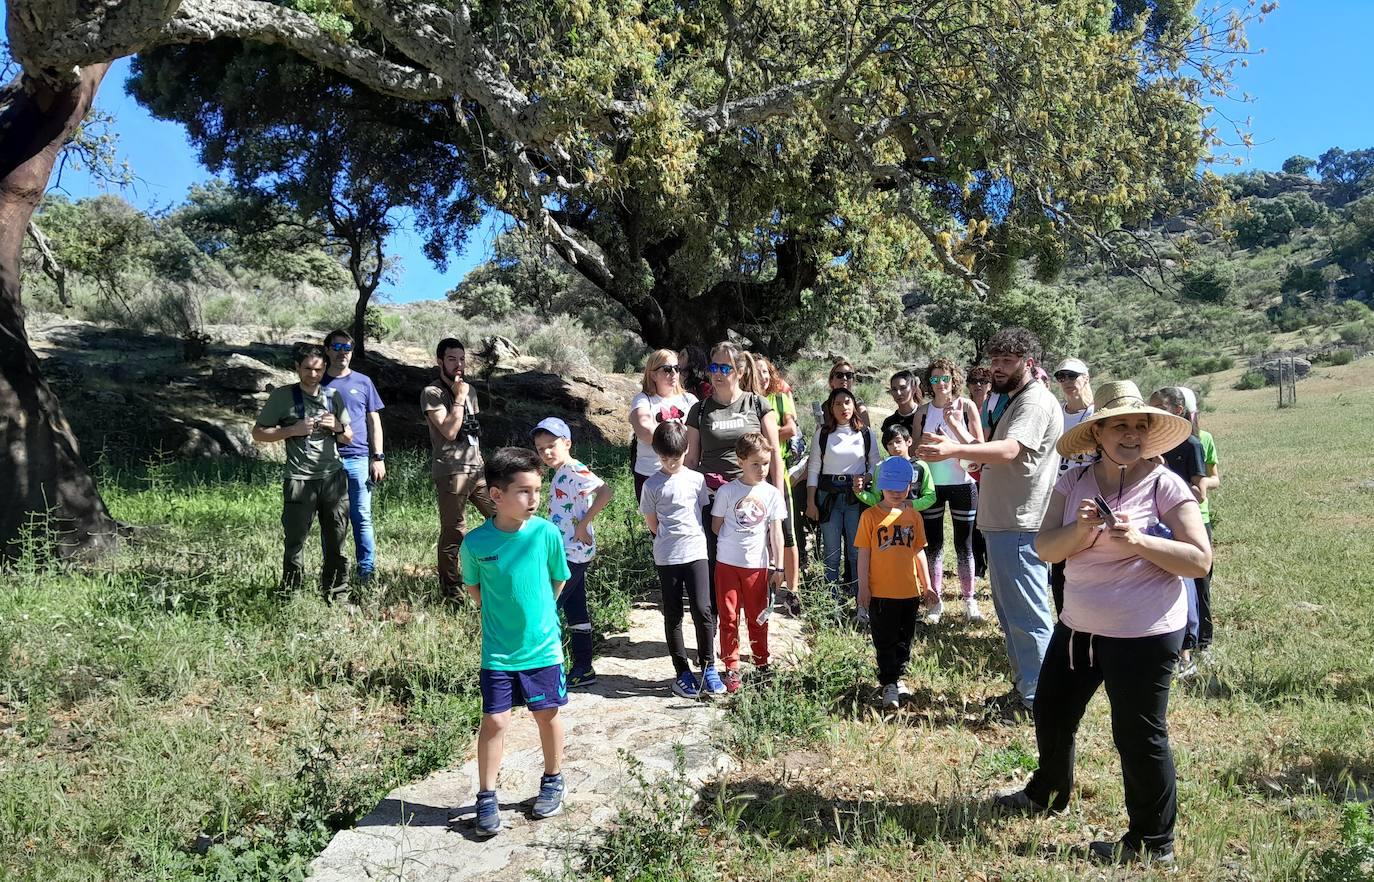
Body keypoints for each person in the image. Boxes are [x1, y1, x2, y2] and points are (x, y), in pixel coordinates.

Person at [997, 381, 1211, 866]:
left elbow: (1199, 560)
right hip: (1078, 628)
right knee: (1052, 710)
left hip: (1145, 633)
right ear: (1098, 434)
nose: (1131, 434)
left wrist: (1138, 539)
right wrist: (1081, 530)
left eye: (1140, 425)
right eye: (1121, 425)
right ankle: (1048, 792)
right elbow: (1044, 549)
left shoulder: (1165, 486)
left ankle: (1153, 844)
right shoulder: (1072, 484)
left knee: (1138, 734)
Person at [917, 328, 1062, 719]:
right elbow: (991, 456)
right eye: (995, 360)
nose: (998, 368)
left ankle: (1037, 701)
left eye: (1007, 361)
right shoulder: (1014, 402)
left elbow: (1011, 450)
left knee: (1027, 615)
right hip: (1003, 521)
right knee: (1010, 613)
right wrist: (962, 435)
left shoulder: (1033, 402)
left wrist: (954, 447)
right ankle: (1025, 690)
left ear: (1029, 364)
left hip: (1020, 522)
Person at [460, 447, 572, 838]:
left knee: (547, 713)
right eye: (523, 492)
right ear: (496, 495)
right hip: (498, 651)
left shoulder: (546, 533)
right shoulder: (475, 543)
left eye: (537, 490)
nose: (534, 500)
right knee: (494, 720)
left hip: (543, 649)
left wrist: (542, 618)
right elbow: (474, 588)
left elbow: (558, 578)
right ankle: (487, 796)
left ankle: (553, 777)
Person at [685, 341, 786, 605]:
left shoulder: (757, 404)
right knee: (713, 559)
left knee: (750, 561)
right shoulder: (700, 409)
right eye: (714, 367)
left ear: (739, 371)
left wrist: (779, 496)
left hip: (751, 497)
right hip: (712, 495)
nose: (718, 373)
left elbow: (774, 452)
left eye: (725, 368)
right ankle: (719, 621)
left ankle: (753, 622)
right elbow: (692, 458)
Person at [252, 343, 353, 597]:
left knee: (337, 539)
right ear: (297, 368)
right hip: (299, 479)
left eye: (318, 369)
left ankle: (336, 592)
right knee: (295, 541)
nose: (313, 374)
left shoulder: (333, 397)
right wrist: (290, 431)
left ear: (325, 368)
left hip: (333, 478)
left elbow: (348, 438)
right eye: (307, 368)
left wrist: (338, 428)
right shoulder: (282, 397)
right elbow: (258, 433)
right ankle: (291, 593)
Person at [640, 421, 725, 698]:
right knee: (673, 613)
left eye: (675, 458)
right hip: (667, 556)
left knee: (703, 609)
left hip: (696, 552)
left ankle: (709, 666)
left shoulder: (696, 479)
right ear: (656, 453)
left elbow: (700, 510)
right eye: (664, 458)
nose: (670, 463)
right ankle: (682, 671)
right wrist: (668, 538)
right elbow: (652, 523)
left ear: (686, 450)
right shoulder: (652, 484)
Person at [531, 417, 614, 688]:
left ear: (567, 443)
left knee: (547, 606)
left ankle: (543, 671)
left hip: (573, 552)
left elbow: (606, 492)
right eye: (540, 448)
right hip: (564, 550)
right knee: (575, 609)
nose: (546, 452)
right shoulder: (560, 472)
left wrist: (584, 523)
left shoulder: (574, 468)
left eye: (552, 445)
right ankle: (583, 667)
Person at [855, 457, 938, 709]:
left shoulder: (914, 516)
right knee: (884, 638)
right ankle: (888, 681)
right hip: (881, 592)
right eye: (890, 487)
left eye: (901, 488)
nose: (895, 492)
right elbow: (864, 553)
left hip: (909, 593)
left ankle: (899, 676)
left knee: (905, 638)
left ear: (910, 486)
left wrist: (927, 585)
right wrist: (863, 587)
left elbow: (919, 551)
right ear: (880, 485)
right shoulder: (870, 516)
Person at [711, 432, 786, 693]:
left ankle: (762, 664)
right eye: (755, 463)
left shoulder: (772, 494)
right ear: (740, 460)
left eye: (765, 463)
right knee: (729, 616)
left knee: (758, 617)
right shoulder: (727, 491)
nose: (762, 469)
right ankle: (731, 667)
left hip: (757, 565)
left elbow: (776, 532)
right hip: (728, 564)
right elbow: (716, 525)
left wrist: (779, 566)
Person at [912, 358, 985, 622]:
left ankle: (969, 601)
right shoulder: (922, 412)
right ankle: (935, 603)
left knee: (964, 545)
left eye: (945, 378)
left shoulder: (966, 407)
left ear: (954, 380)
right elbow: (913, 451)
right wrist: (925, 445)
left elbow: (980, 446)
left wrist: (954, 428)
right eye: (934, 379)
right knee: (934, 545)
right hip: (932, 485)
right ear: (929, 383)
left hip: (963, 484)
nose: (940, 383)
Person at [423, 338, 497, 596]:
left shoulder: (470, 391)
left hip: (477, 469)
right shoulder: (432, 393)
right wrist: (459, 397)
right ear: (440, 361)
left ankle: (494, 574)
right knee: (454, 531)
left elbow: (471, 432)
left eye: (462, 359)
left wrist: (484, 465)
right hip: (451, 471)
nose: (459, 364)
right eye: (452, 359)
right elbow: (450, 431)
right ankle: (451, 589)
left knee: (500, 517)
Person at [1149, 386, 1209, 676]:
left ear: (1177, 410)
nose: (1153, 413)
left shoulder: (1191, 445)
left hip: (1181, 527)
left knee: (1188, 589)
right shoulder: (1149, 443)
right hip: (1154, 527)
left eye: (1159, 406)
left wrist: (1165, 475)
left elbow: (1199, 492)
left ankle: (1187, 655)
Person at [320, 329, 386, 583]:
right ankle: (334, 571)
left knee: (362, 517)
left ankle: (366, 571)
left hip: (358, 458)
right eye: (336, 348)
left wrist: (377, 456)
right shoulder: (318, 382)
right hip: (326, 461)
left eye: (346, 348)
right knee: (331, 520)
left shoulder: (363, 382)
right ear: (327, 350)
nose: (342, 353)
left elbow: (373, 420)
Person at [806, 387, 881, 602]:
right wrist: (811, 501)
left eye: (847, 402)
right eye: (837, 404)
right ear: (831, 408)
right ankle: (832, 596)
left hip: (856, 497)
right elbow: (814, 468)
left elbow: (875, 464)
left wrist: (866, 478)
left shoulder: (865, 433)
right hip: (828, 496)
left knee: (856, 549)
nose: (843, 408)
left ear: (854, 405)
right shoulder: (822, 434)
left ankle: (859, 595)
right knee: (831, 549)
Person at [754, 355, 803, 614]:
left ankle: (792, 590)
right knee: (757, 531)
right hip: (752, 474)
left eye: (765, 371)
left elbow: (790, 429)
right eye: (757, 371)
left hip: (778, 470)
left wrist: (762, 435)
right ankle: (762, 586)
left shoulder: (779, 397)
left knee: (787, 530)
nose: (762, 376)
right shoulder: (747, 401)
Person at [1049, 358, 1095, 613]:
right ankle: (1063, 617)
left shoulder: (1096, 414)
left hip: (1089, 492)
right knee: (1060, 555)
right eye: (1061, 376)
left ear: (1086, 378)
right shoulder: (1055, 411)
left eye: (1072, 376)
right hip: (1058, 493)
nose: (1066, 382)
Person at [629, 349, 699, 500]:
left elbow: (701, 433)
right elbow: (645, 432)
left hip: (683, 474)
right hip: (650, 475)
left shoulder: (690, 400)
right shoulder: (643, 400)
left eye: (677, 368)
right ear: (653, 374)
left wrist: (663, 434)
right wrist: (683, 434)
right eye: (667, 369)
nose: (673, 373)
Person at [966, 365, 996, 579]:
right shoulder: (963, 409)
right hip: (969, 470)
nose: (978, 385)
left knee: (991, 518)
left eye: (983, 381)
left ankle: (993, 562)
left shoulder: (996, 407)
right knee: (974, 520)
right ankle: (978, 565)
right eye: (974, 381)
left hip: (993, 469)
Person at [879, 424, 937, 513]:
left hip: (913, 517)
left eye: (898, 441)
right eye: (890, 443)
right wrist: (859, 492)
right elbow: (876, 497)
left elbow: (931, 496)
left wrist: (912, 504)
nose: (895, 446)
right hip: (886, 517)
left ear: (909, 441)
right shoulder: (881, 467)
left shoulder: (920, 466)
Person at [881, 369, 923, 436]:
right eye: (894, 389)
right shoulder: (889, 422)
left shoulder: (926, 416)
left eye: (903, 388)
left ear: (913, 389)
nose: (898, 393)